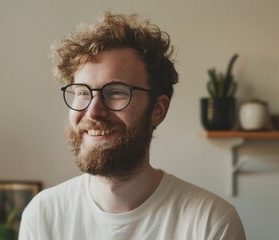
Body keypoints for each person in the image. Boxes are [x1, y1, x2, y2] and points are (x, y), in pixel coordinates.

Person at [19, 12, 246, 240]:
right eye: (81, 92)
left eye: (117, 92)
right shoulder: (43, 215)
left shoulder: (210, 223)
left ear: (158, 109)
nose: (94, 110)